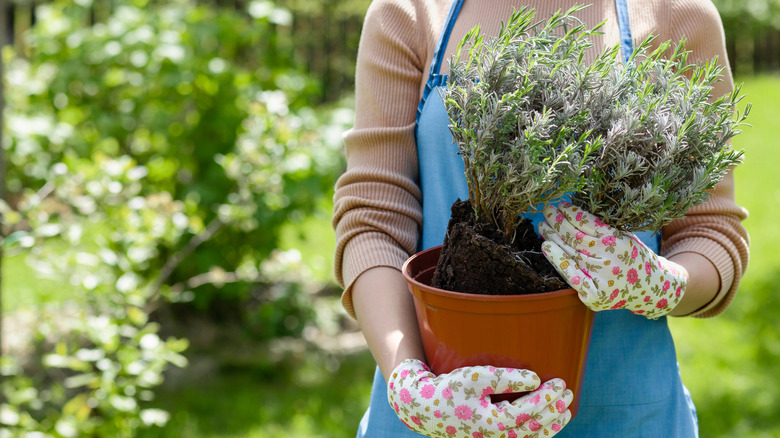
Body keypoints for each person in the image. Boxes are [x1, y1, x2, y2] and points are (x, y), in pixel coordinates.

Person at [332, 0, 750, 436]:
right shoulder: (411, 11)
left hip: (621, 414)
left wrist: (657, 283)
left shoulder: (676, 14)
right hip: (439, 402)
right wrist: (409, 382)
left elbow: (709, 231)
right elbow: (373, 220)